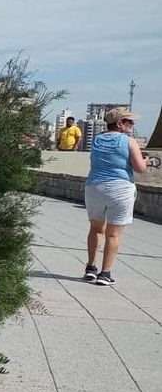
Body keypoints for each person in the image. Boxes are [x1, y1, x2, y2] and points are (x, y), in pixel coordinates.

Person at [82, 107, 148, 285]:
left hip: (94, 187)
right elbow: (140, 168)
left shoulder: (96, 140)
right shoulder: (129, 141)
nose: (132, 125)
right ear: (119, 124)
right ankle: (105, 274)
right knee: (113, 234)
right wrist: (146, 161)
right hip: (120, 188)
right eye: (129, 122)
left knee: (96, 229)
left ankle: (90, 268)